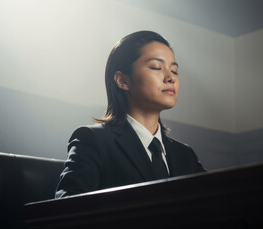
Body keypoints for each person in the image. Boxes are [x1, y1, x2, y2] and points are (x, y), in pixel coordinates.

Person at [55, 31, 206, 198]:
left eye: (174, 70)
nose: (171, 78)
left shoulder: (185, 155)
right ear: (122, 81)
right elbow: (68, 211)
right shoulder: (92, 140)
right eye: (156, 67)